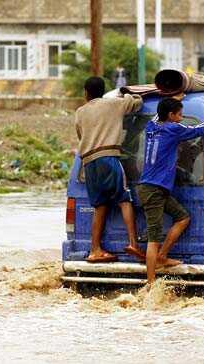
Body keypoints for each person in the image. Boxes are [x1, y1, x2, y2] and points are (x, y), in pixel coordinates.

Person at [137, 97, 204, 284]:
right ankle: (151, 283)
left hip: (153, 189)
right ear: (171, 115)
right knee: (153, 238)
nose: (182, 117)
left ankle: (162, 256)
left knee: (183, 217)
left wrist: (172, 98)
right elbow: (197, 130)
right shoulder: (173, 129)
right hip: (154, 190)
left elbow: (155, 116)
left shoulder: (151, 126)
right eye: (180, 114)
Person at [75, 76, 145, 263]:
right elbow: (137, 102)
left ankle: (95, 249)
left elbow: (80, 135)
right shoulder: (114, 104)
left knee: (100, 205)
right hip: (108, 157)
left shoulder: (80, 112)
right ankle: (133, 243)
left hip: (89, 163)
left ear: (86, 93)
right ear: (103, 91)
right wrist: (128, 93)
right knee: (124, 199)